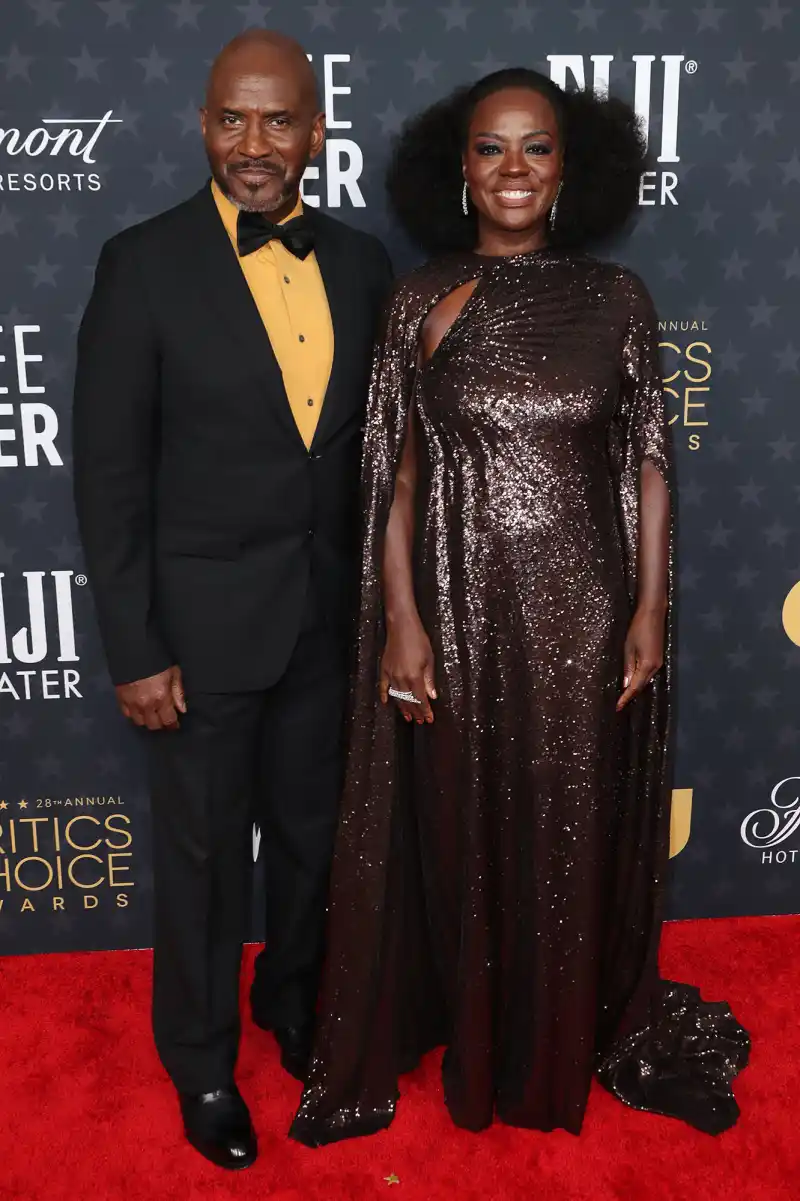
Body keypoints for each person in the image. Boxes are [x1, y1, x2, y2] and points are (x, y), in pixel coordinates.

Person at [290, 69, 749, 1147]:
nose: (511, 170)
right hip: (454, 611)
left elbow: (646, 465)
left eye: (533, 148)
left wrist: (647, 611)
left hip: (587, 616)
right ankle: (478, 1030)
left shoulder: (615, 299)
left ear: (565, 167)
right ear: (456, 169)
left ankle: (553, 1044)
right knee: (459, 827)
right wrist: (401, 622)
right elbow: (392, 479)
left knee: (568, 832)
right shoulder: (419, 298)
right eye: (489, 149)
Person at [72, 29, 392, 1170]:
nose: (252, 145)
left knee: (311, 842)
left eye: (276, 121)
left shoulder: (361, 265)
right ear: (202, 125)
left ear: (315, 131)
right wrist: (133, 648)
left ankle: (291, 1004)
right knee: (204, 859)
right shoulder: (141, 263)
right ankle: (202, 1062)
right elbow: (108, 477)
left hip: (327, 624)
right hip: (198, 638)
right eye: (230, 119)